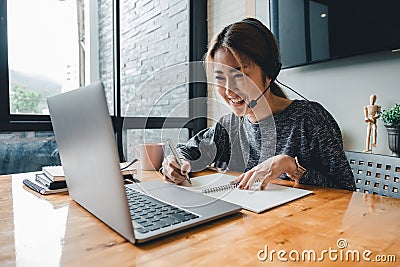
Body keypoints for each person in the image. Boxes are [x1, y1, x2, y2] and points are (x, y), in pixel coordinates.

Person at [161, 17, 355, 191]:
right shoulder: (229, 126)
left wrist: (292, 167)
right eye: (221, 78)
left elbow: (347, 189)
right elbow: (186, 150)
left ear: (269, 72)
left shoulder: (310, 119)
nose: (229, 91)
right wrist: (175, 162)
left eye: (239, 75)